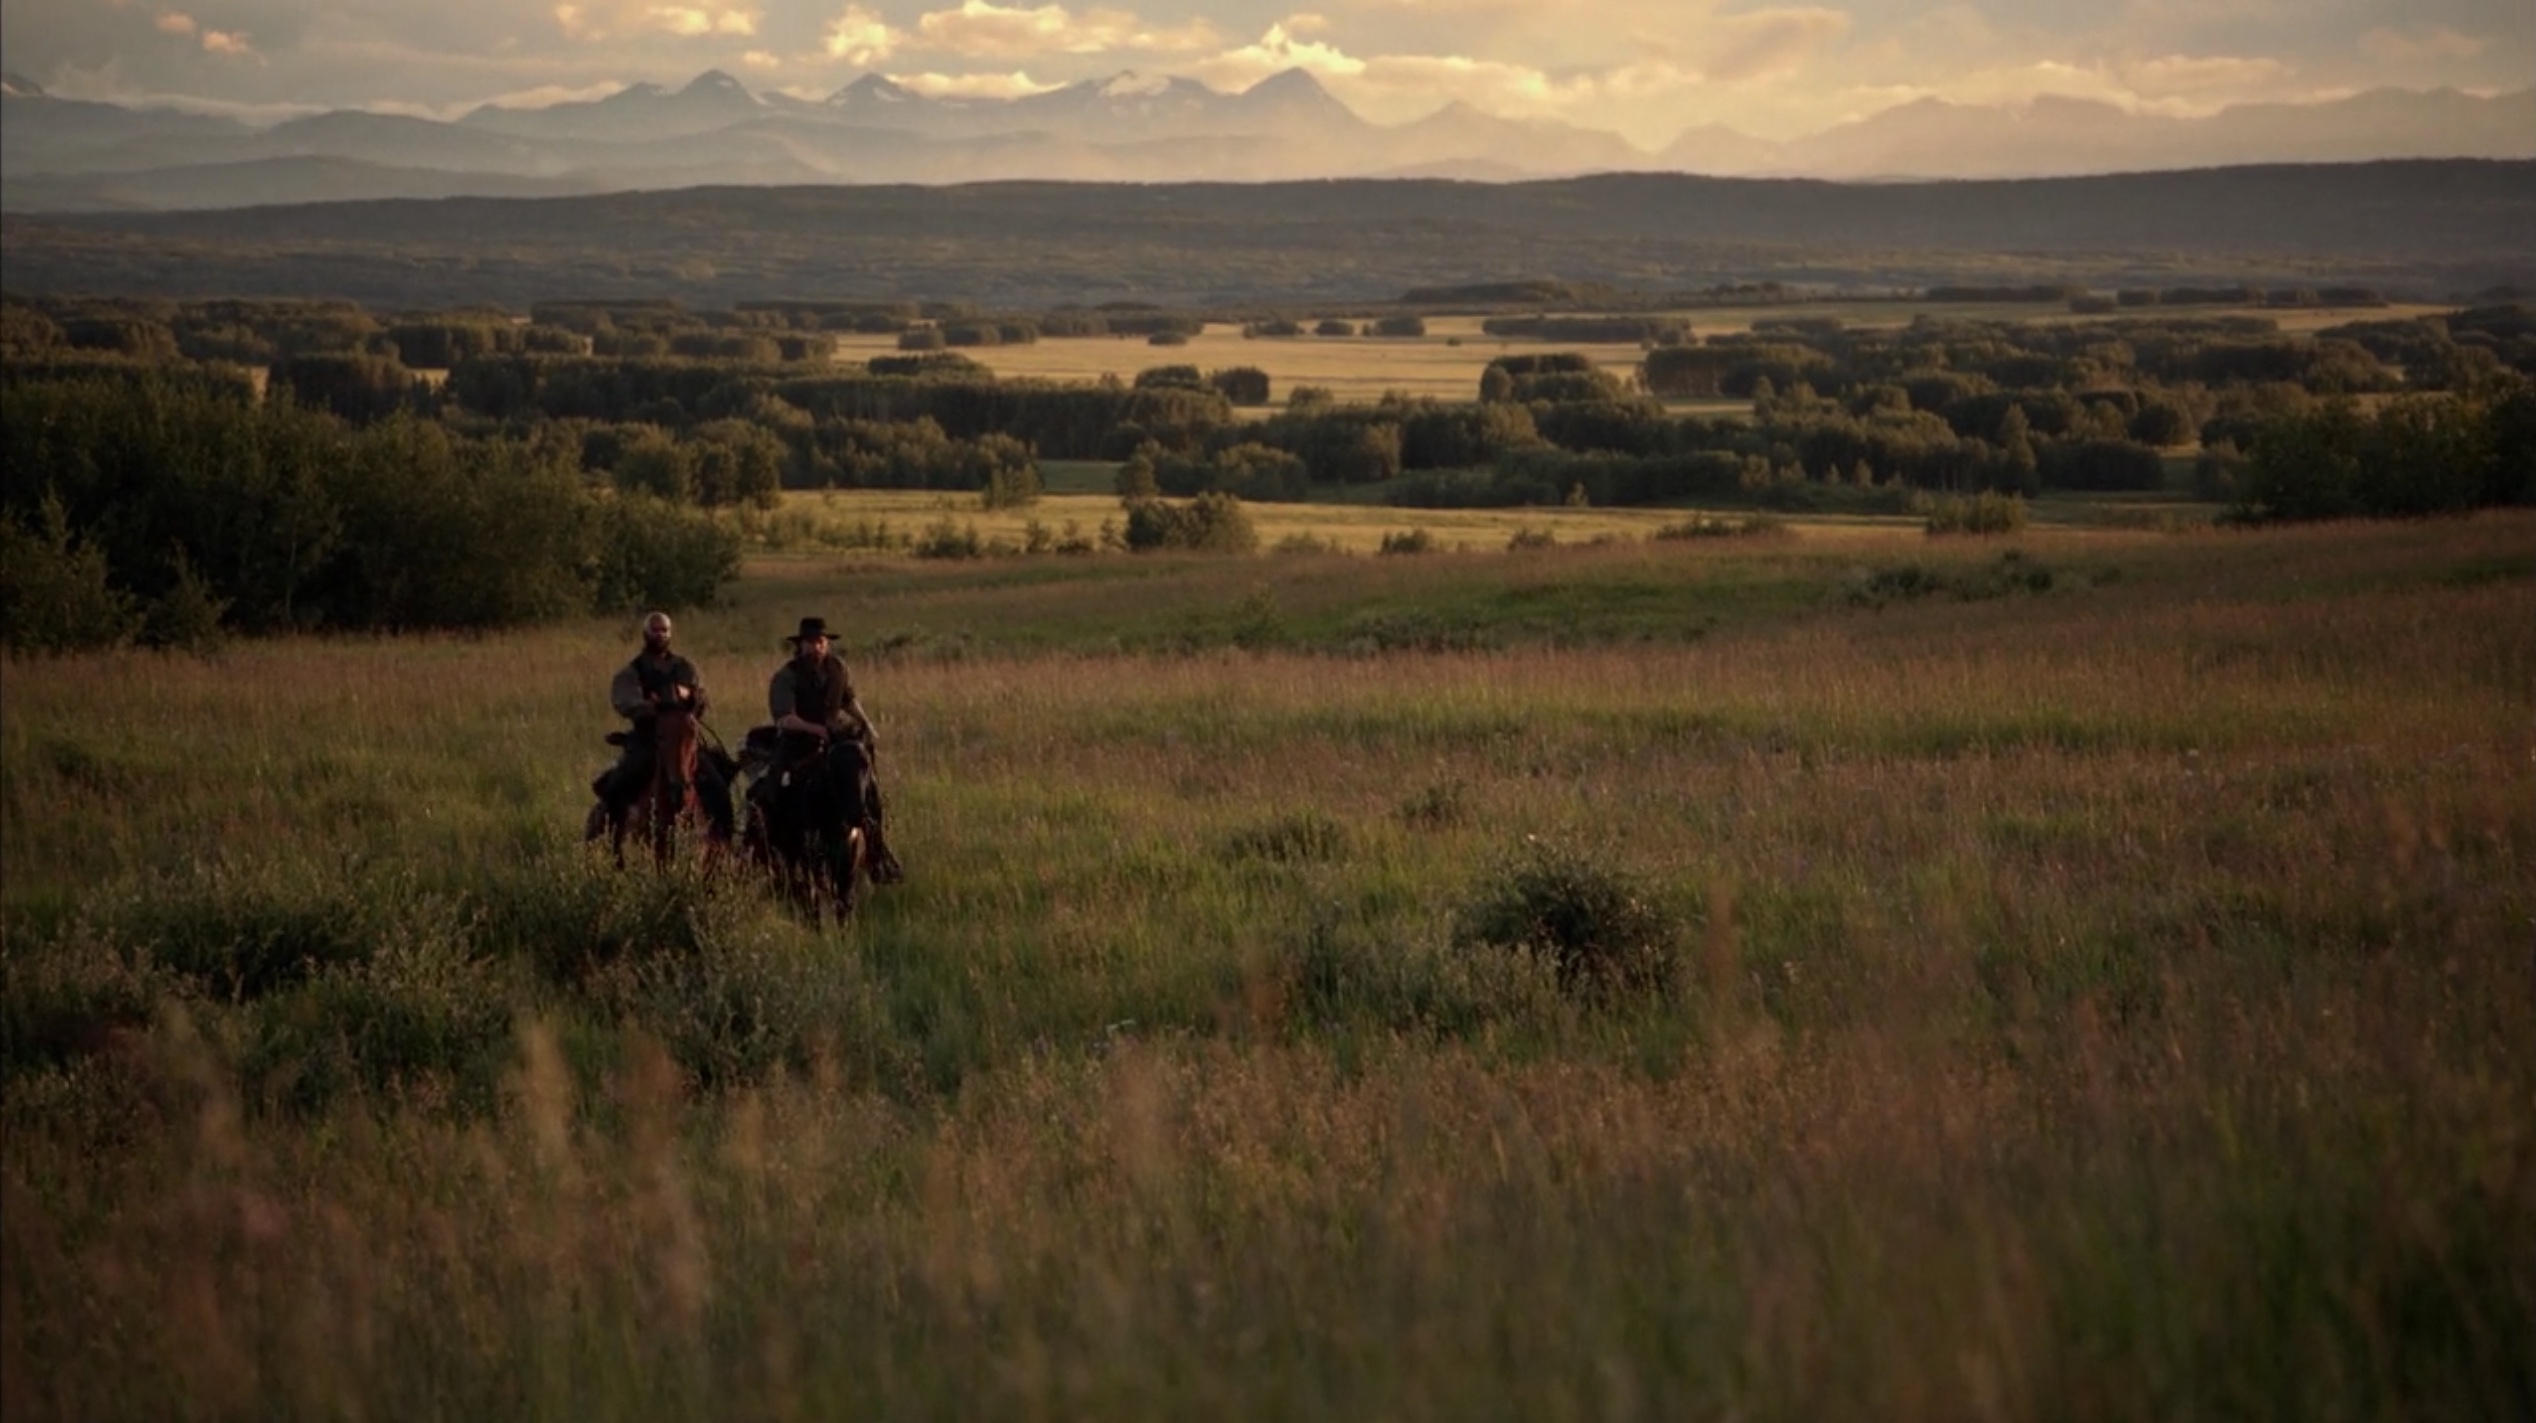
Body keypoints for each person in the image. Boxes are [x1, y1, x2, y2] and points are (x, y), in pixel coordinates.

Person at [764, 614, 904, 882]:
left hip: (833, 736)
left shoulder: (838, 668)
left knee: (865, 779)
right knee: (774, 789)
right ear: (800, 645)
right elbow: (784, 718)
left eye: (820, 642)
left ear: (826, 643)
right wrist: (814, 729)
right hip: (797, 740)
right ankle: (771, 847)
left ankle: (876, 851)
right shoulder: (787, 676)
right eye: (810, 642)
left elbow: (848, 700)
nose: (816, 647)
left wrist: (866, 724)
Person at [597, 609, 709, 817]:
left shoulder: (685, 667)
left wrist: (689, 696)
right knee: (618, 785)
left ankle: (724, 831)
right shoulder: (633, 671)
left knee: (716, 783)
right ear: (646, 633)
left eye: (664, 630)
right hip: (648, 739)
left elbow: (701, 698)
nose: (660, 635)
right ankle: (608, 828)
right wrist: (648, 706)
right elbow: (626, 701)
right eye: (655, 630)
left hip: (684, 739)